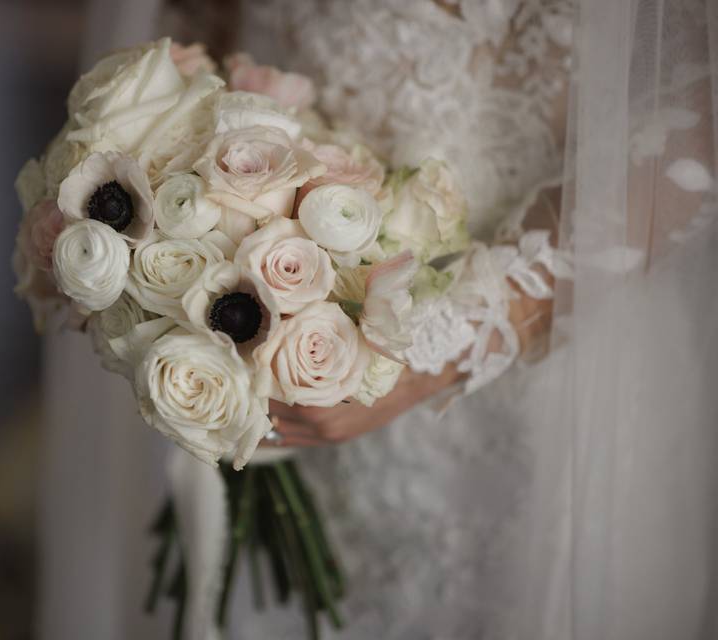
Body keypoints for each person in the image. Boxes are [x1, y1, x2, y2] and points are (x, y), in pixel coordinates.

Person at [42, 1, 718, 638]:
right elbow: (196, 21)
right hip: (270, 372)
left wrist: (448, 343)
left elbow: (699, 104)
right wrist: (161, 200)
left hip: (535, 388)